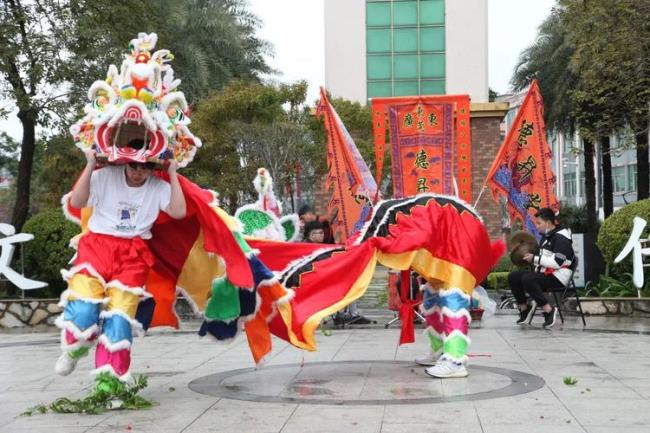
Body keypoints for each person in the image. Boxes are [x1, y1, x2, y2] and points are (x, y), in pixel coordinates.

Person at [55, 143, 186, 380]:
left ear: (154, 167)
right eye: (134, 164)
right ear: (124, 161)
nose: (139, 171)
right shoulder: (104, 176)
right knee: (84, 311)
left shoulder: (159, 187)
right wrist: (90, 163)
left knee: (119, 320)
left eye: (146, 166)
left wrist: (173, 173)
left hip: (133, 255)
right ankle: (75, 350)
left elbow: (178, 211)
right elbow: (77, 201)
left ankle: (110, 385)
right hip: (97, 248)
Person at [507, 207, 574, 329]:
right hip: (546, 274)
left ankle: (549, 310)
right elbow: (542, 258)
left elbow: (557, 263)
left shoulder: (561, 238)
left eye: (539, 223)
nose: (537, 226)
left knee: (529, 279)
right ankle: (524, 309)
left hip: (559, 276)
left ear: (548, 223)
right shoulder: (547, 236)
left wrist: (535, 259)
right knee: (513, 277)